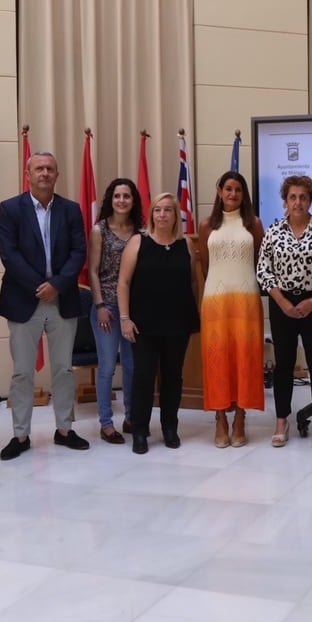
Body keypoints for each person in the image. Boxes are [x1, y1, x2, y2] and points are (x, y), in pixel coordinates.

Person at [0, 152, 89, 460]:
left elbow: (79, 252)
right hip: (25, 300)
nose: (45, 173)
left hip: (62, 300)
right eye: (39, 168)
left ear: (57, 175)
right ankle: (20, 435)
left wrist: (57, 285)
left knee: (63, 369)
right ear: (28, 173)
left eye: (50, 169)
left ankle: (64, 429)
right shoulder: (10, 209)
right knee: (23, 373)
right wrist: (41, 286)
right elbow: (9, 255)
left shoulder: (72, 210)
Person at [256, 175, 312, 449]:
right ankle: (282, 421)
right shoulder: (274, 230)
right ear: (285, 201)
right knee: (283, 365)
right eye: (293, 197)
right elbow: (263, 270)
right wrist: (282, 303)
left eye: (303, 197)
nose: (298, 202)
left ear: (311, 199)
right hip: (282, 306)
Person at [117, 193, 201, 455]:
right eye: (157, 210)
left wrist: (194, 313)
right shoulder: (138, 242)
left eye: (168, 210)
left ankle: (170, 427)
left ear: (176, 215)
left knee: (173, 377)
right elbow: (123, 283)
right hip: (144, 324)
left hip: (178, 322)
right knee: (144, 376)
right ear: (151, 214)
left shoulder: (185, 244)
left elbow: (193, 283)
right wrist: (124, 318)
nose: (162, 215)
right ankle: (140, 431)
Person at [199, 171, 266, 448]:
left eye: (238, 189)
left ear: (244, 193)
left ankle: (240, 418)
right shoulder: (206, 225)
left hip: (247, 300)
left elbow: (260, 261)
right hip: (215, 301)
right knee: (217, 359)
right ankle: (220, 419)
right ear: (219, 191)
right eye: (228, 188)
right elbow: (204, 265)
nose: (233, 194)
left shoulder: (254, 223)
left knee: (245, 359)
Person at [87, 177, 144, 444]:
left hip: (134, 309)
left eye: (127, 196)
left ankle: (132, 417)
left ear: (134, 201)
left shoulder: (141, 231)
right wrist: (99, 305)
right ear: (111, 199)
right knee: (108, 367)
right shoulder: (100, 230)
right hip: (107, 308)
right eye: (117, 196)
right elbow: (93, 273)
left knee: (132, 366)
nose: (122, 200)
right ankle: (106, 423)